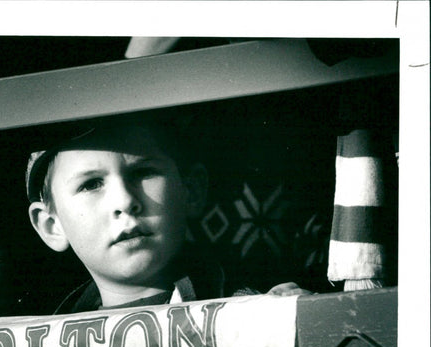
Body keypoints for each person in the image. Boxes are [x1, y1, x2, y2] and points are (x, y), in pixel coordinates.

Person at [25, 118, 308, 314]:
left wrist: (289, 325)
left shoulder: (248, 315)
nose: (125, 201)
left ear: (191, 190)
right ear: (52, 225)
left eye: (143, 173)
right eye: (91, 184)